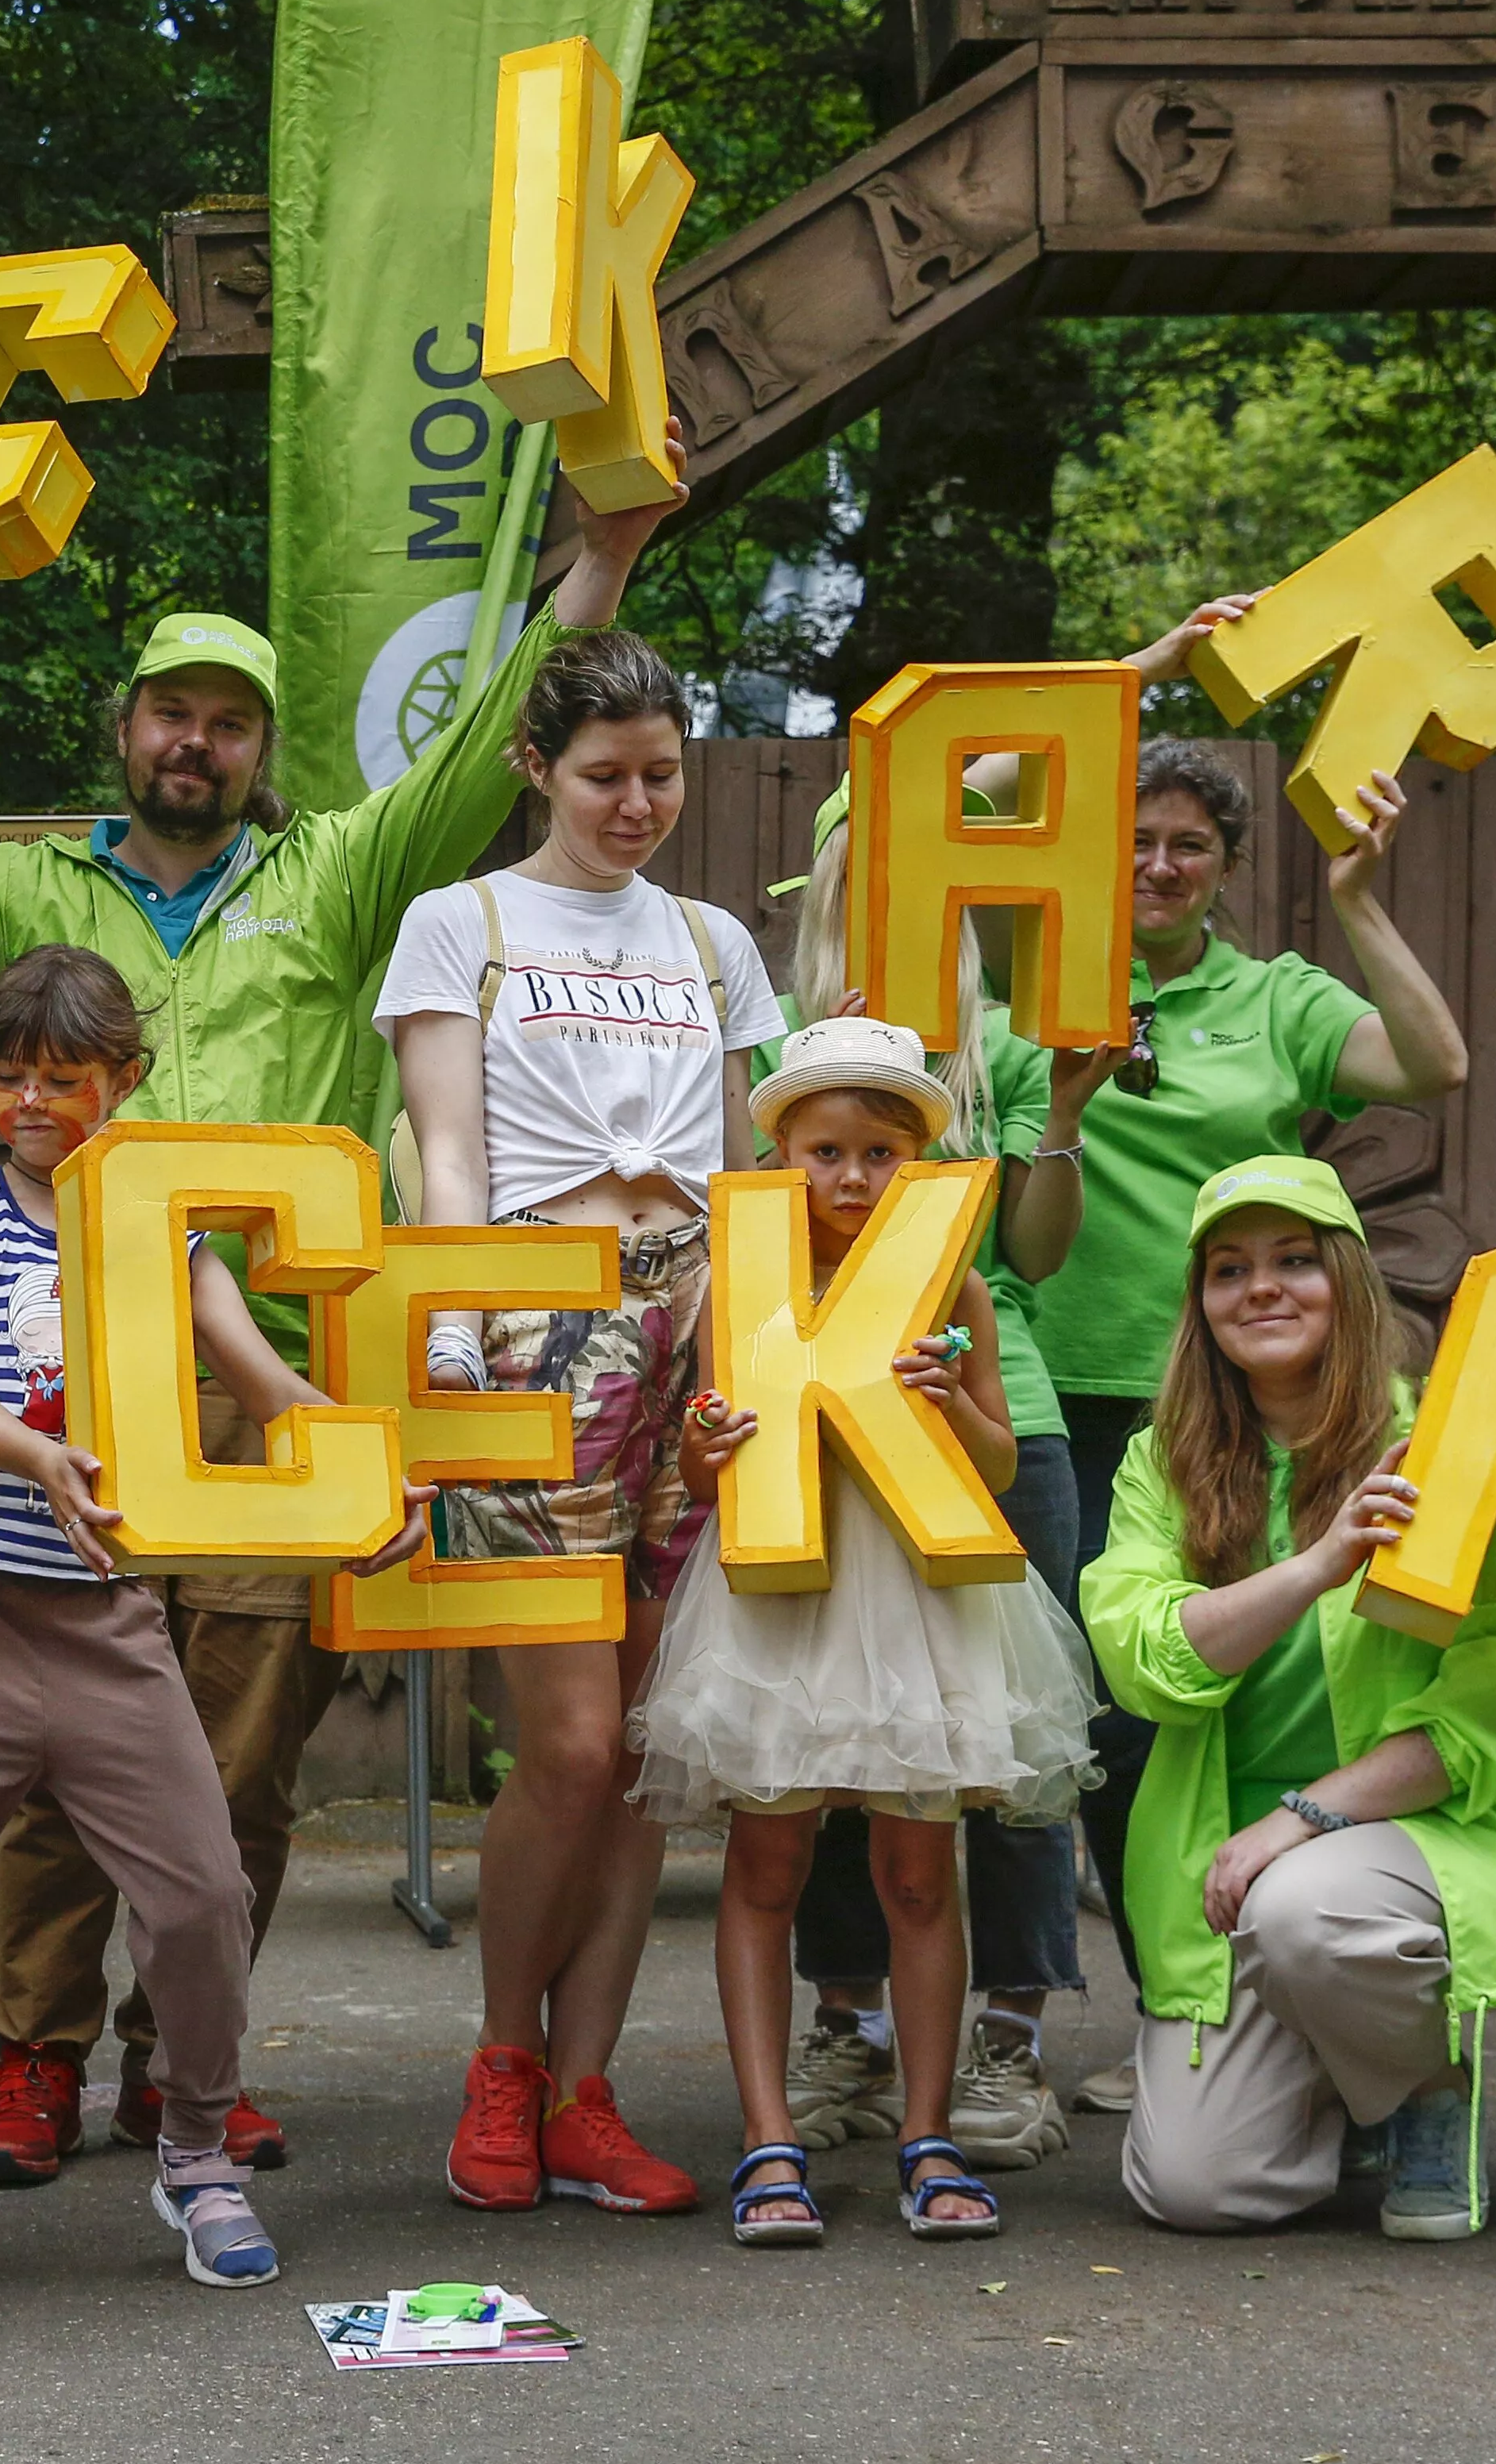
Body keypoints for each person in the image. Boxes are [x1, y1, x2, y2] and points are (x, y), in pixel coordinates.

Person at [0, 472, 680, 2181]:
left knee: (240, 1760)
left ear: (263, 750)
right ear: (125, 727)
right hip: (76, 1387)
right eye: (173, 712)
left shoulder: (337, 879)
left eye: (231, 723)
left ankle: (180, 2064)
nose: (197, 743)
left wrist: (602, 560)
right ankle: (31, 2060)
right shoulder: (8, 896)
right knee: (50, 1755)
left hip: (270, 1392)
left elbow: (489, 729)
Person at [0, 948, 335, 2307]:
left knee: (204, 1892)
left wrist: (373, 1478)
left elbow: (270, 1385)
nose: (31, 1101)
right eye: (7, 1075)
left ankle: (199, 2156)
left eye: (65, 1077)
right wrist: (42, 1460)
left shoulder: (168, 1229)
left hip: (105, 1622)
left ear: (125, 1083)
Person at [373, 629, 785, 2216]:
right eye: (604, 775)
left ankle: (585, 2094)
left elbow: (749, 1161)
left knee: (648, 1755)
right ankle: (498, 2063)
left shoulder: (709, 938)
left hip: (699, 1329)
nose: (634, 804)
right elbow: (445, 1146)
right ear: (531, 768)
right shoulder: (454, 921)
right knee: (568, 1740)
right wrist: (457, 1329)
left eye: (661, 775)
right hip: (533, 1321)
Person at [998, 732, 1470, 2091]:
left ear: (1227, 868)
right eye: (1132, 840)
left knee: (1228, 1694)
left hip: (1232, 1406)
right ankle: (1104, 2016)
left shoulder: (1277, 997)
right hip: (1061, 1393)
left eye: (1188, 845)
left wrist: (1363, 903)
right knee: (1086, 1716)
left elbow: (1432, 1064)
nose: (1157, 865)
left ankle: (1236, 2002)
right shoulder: (1035, 992)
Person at [1082, 1157, 1496, 2239]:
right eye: (1230, 1269)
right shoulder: (1163, 1465)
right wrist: (1316, 1566)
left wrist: (1296, 1821)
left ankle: (1422, 2095)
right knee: (1196, 2190)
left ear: (1352, 1286)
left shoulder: (1455, 1445)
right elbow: (1140, 1655)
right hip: (1221, 1865)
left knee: (1306, 1907)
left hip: (1406, 1839)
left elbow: (1493, 1711)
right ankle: (1348, 2075)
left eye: (1294, 1262)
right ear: (1202, 1306)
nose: (1261, 1288)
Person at [642, 1018, 1101, 2246]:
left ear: (919, 1161)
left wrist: (953, 1407)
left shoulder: (950, 1288)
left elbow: (1001, 1462)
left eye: (882, 1152)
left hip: (920, 1600)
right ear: (782, 1155)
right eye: (826, 1150)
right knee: (768, 1864)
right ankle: (766, 2136)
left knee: (916, 1870)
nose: (852, 1177)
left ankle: (929, 2130)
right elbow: (697, 1469)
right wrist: (702, 1451)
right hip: (783, 1608)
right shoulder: (743, 1287)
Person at [759, 786, 1096, 2173]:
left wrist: (1063, 1110)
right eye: (874, 868)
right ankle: (845, 2024)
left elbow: (1039, 1243)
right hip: (822, 1439)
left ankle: (1006, 2044)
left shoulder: (1002, 1047)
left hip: (980, 1418)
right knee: (835, 1745)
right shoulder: (788, 1060)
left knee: (1000, 1753)